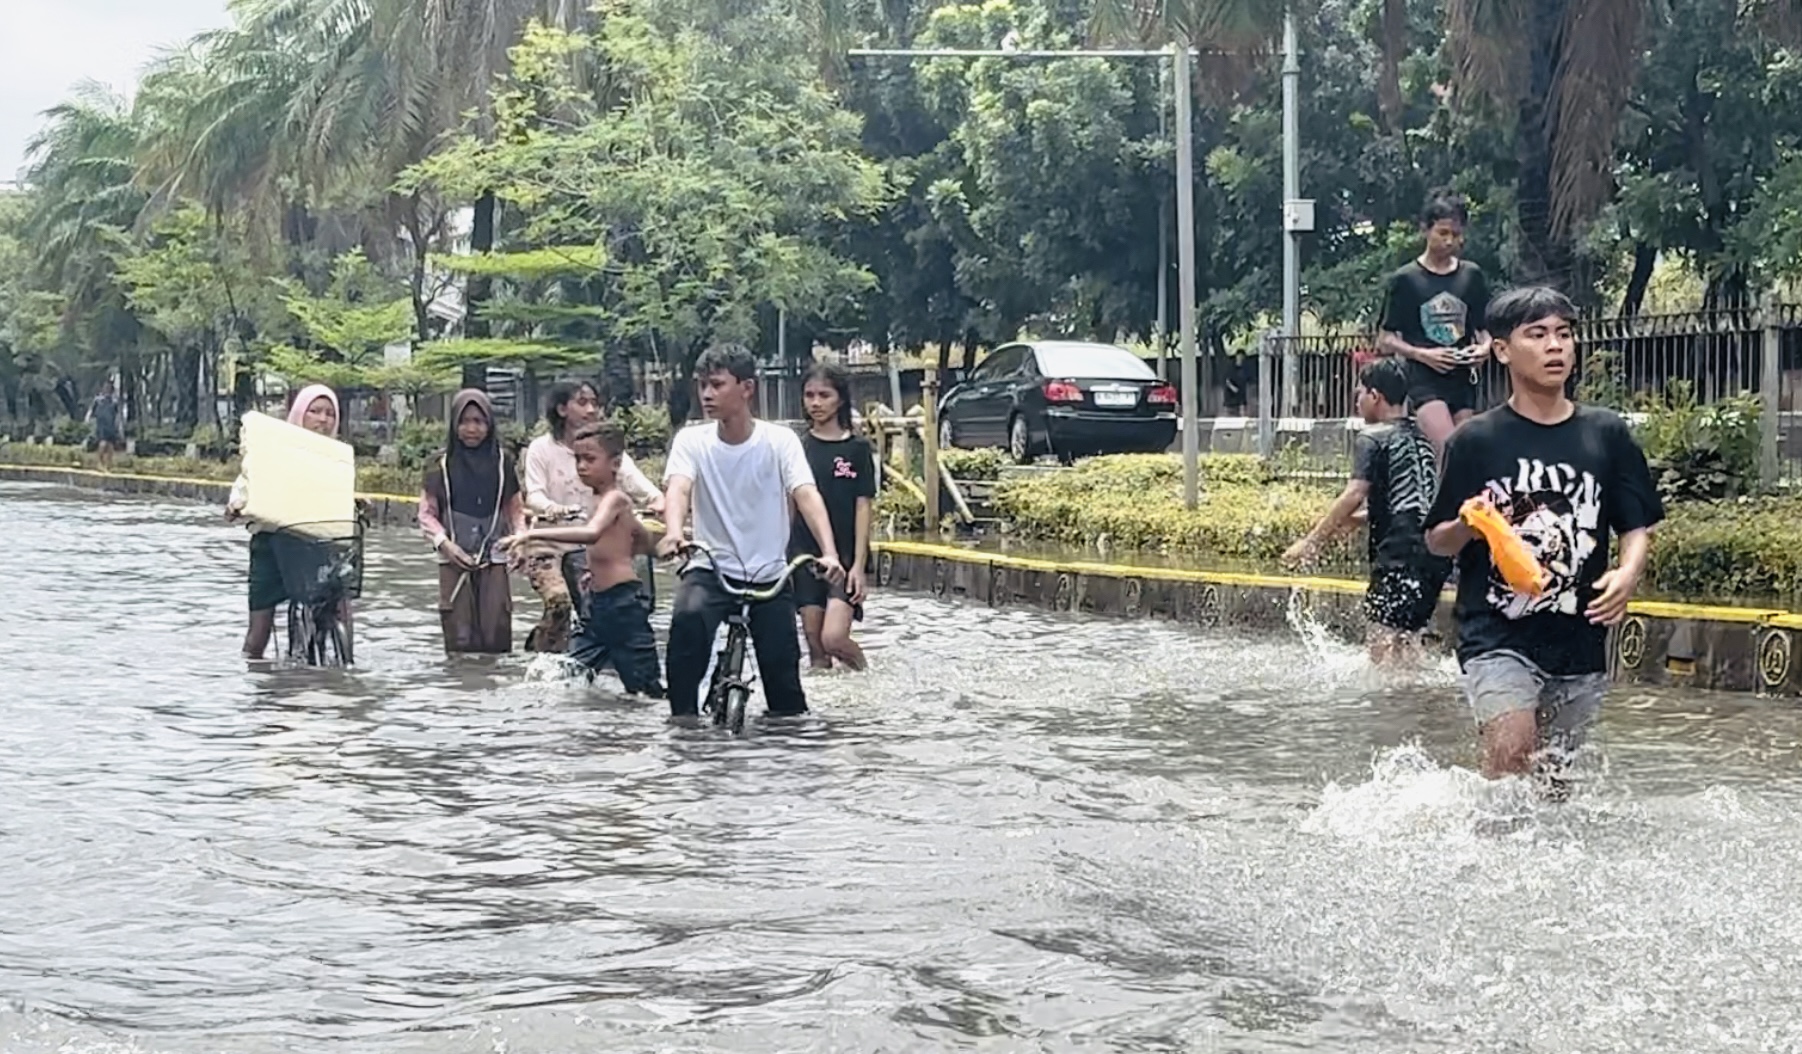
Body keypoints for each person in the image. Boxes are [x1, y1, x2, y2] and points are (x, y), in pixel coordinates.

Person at [1422, 286, 1664, 787]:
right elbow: (1436, 540)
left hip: (1580, 637)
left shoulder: (1606, 433)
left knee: (1553, 781)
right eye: (1537, 334)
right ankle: (1489, 855)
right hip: (1496, 633)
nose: (1555, 346)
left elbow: (1636, 524)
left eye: (1564, 334)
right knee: (1511, 751)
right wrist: (1470, 524)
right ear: (1503, 349)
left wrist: (1628, 573)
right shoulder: (1477, 440)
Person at [655, 344, 845, 721]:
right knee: (687, 626)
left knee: (785, 687)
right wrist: (674, 532)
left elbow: (806, 494)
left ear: (747, 388)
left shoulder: (780, 441)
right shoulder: (691, 441)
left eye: (717, 385)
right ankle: (682, 728)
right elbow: (678, 488)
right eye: (702, 386)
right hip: (711, 570)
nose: (707, 395)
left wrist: (830, 553)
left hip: (769, 576)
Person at [1283, 359, 1451, 665]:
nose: (1357, 402)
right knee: (1408, 642)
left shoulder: (1373, 436)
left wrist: (1311, 542)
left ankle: (1386, 711)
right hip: (1434, 555)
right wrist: (1358, 521)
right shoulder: (1422, 436)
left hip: (1399, 554)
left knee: (1381, 645)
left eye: (1359, 394)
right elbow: (1415, 503)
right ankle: (1419, 705)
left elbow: (1355, 492)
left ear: (1375, 395)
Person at [504, 424, 664, 697]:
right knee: (568, 673)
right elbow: (628, 542)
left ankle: (671, 732)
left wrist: (531, 534)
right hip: (598, 604)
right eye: (577, 459)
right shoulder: (596, 500)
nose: (581, 466)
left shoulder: (616, 499)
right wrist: (593, 571)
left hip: (623, 605)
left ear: (615, 464)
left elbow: (592, 534)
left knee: (645, 689)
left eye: (589, 459)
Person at [520, 380, 663, 652]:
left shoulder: (606, 449)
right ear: (562, 409)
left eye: (595, 403)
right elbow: (533, 495)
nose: (591, 410)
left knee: (606, 608)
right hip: (550, 544)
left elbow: (640, 486)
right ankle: (543, 658)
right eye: (582, 402)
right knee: (559, 604)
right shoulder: (541, 449)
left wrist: (659, 502)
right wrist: (553, 509)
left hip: (592, 546)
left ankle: (593, 660)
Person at [225, 384, 348, 660]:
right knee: (258, 635)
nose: (322, 419)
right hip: (273, 548)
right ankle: (253, 683)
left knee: (342, 607)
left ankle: (345, 659)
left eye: (329, 413)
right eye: (314, 411)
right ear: (299, 414)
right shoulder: (271, 452)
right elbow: (246, 485)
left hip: (318, 545)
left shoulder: (338, 459)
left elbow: (342, 492)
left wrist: (357, 502)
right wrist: (237, 505)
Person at [1378, 191, 1493, 459]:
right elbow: (1385, 339)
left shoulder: (1471, 275)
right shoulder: (1405, 279)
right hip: (1423, 378)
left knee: (1468, 455)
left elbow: (1485, 329)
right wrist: (1423, 354)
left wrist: (1484, 349)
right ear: (1425, 230)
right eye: (1443, 233)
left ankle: (1459, 502)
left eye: (1456, 234)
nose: (1450, 240)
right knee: (1448, 449)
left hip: (1463, 377)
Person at [418, 389, 527, 654]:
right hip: (453, 556)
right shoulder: (438, 464)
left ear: (489, 424)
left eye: (479, 421)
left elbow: (515, 509)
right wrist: (446, 545)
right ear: (454, 424)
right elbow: (426, 514)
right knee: (459, 637)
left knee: (496, 634)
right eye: (464, 422)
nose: (471, 429)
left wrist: (521, 541)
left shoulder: (503, 462)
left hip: (494, 557)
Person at [790, 362, 876, 671]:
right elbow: (789, 502)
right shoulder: (797, 447)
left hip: (845, 556)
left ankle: (866, 676)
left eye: (824, 395)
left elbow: (863, 505)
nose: (815, 403)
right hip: (803, 554)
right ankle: (826, 714)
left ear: (839, 399)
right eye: (809, 395)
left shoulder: (858, 448)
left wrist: (859, 565)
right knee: (815, 646)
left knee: (833, 638)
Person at [87, 379, 124, 472]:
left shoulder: (114, 401)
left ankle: (108, 465)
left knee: (110, 446)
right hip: (101, 424)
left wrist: (119, 427)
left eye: (109, 387)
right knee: (103, 443)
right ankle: (99, 462)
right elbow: (91, 411)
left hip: (111, 424)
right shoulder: (98, 400)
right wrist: (89, 421)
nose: (107, 389)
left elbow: (118, 414)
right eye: (105, 387)